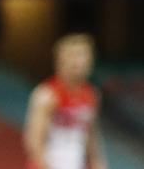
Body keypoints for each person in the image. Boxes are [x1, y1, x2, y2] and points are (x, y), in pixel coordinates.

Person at [23, 34, 107, 169]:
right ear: (60, 60)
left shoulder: (92, 95)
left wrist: (97, 163)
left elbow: (91, 134)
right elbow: (34, 140)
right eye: (73, 56)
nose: (79, 62)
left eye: (84, 56)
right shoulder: (47, 94)